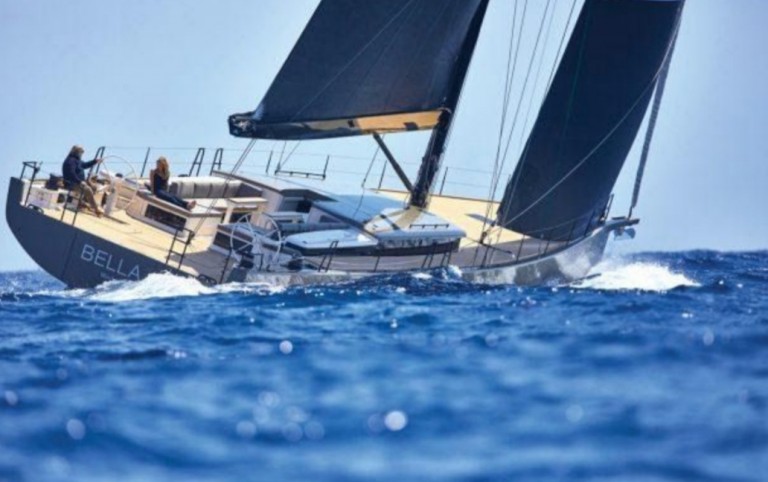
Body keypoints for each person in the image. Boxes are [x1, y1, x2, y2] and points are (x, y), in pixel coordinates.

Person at [61, 145, 104, 216]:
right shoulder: (70, 161)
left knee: (94, 187)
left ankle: (82, 203)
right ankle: (96, 209)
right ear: (77, 152)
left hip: (79, 182)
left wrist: (95, 161)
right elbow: (71, 173)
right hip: (71, 183)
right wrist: (80, 181)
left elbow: (85, 165)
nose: (82, 154)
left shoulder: (77, 160)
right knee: (88, 189)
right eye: (81, 152)